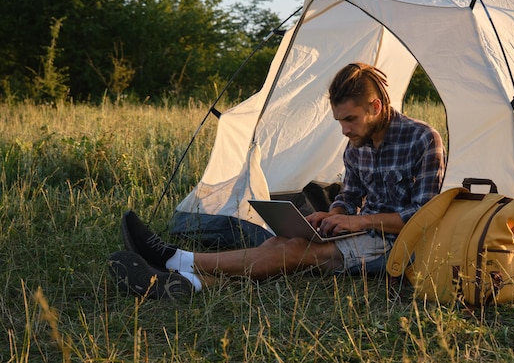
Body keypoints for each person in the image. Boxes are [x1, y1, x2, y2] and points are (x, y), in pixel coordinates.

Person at [108, 62, 446, 299]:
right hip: (363, 232)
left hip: (399, 246)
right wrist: (332, 214)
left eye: (350, 119)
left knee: (295, 249)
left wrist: (357, 220)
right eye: (339, 120)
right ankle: (190, 283)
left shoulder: (422, 139)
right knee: (277, 245)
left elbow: (424, 217)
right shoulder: (356, 145)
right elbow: (352, 193)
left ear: (376, 105)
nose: (344, 129)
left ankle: (174, 257)